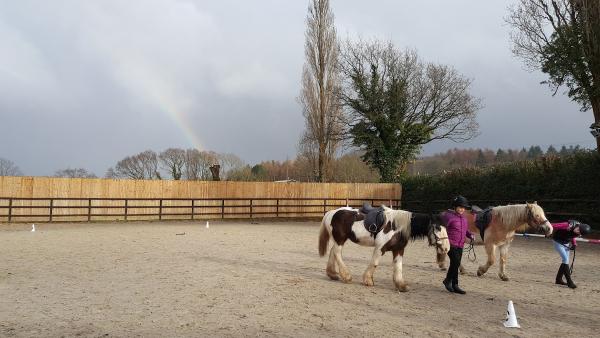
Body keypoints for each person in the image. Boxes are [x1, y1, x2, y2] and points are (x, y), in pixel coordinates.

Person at [441, 195, 474, 294]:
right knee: (456, 263)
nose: (462, 209)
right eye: (460, 207)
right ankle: (447, 280)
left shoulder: (464, 219)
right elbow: (442, 229)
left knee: (455, 264)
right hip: (450, 244)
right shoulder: (448, 217)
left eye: (463, 208)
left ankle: (455, 285)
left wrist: (470, 235)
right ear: (455, 207)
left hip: (460, 245)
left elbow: (465, 230)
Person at [551, 220, 591, 289]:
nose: (577, 231)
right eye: (578, 229)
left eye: (579, 232)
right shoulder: (567, 225)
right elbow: (552, 225)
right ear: (578, 226)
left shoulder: (579, 231)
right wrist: (548, 231)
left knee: (566, 261)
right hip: (558, 242)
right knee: (565, 259)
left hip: (566, 243)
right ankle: (569, 282)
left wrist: (574, 244)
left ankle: (558, 279)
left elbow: (573, 236)